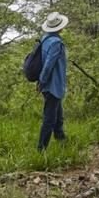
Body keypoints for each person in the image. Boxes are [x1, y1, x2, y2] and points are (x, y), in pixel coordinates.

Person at [37, 11, 68, 151]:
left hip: (49, 85)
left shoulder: (45, 39)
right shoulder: (56, 43)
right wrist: (42, 81)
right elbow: (49, 64)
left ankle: (62, 143)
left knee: (58, 116)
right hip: (52, 84)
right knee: (49, 119)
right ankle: (41, 149)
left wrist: (41, 82)